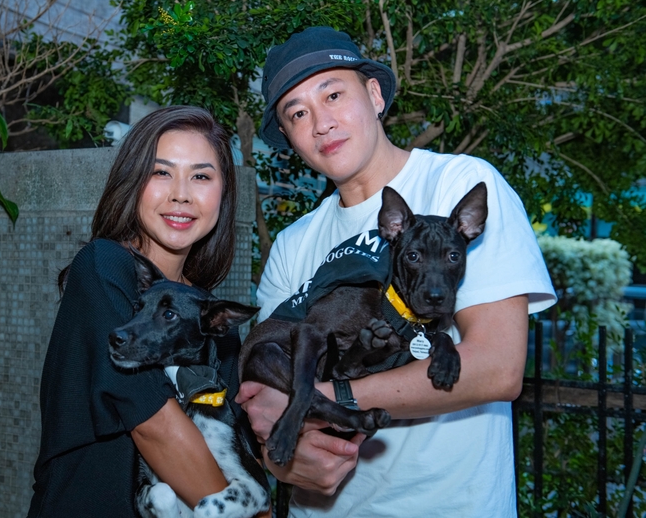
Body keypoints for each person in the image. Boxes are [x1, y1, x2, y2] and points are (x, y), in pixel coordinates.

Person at [235, 26, 557, 517]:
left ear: (375, 94)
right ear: (290, 139)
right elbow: (265, 402)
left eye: (333, 95)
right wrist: (283, 458)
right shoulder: (292, 243)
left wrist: (323, 399)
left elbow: (497, 368)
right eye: (297, 113)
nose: (321, 123)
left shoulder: (459, 183)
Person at [28, 106, 259, 517]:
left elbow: (233, 443)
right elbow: (154, 424)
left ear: (224, 193)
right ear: (133, 181)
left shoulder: (209, 317)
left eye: (201, 176)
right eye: (161, 172)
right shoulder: (104, 265)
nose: (181, 194)